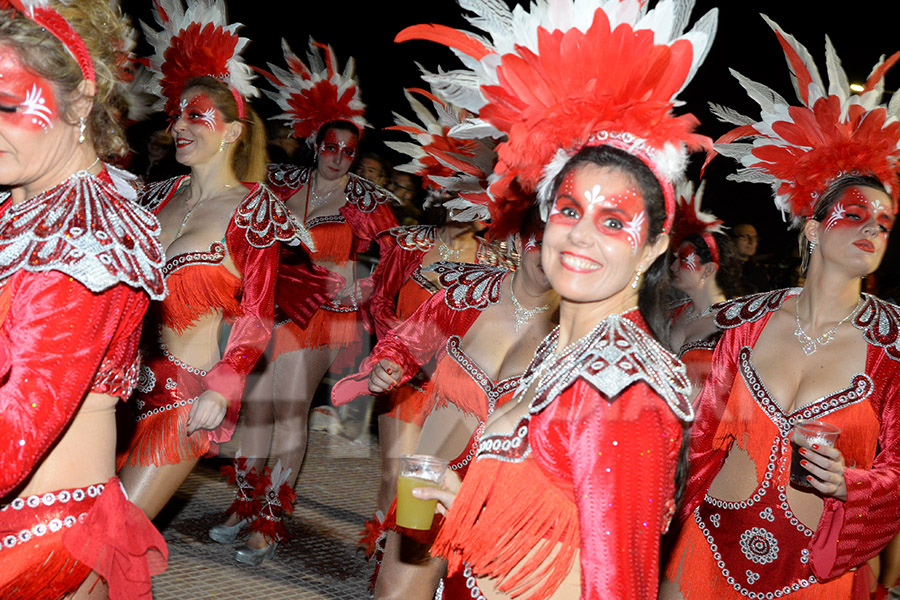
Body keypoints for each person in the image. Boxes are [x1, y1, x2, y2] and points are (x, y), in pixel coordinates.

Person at [393, 0, 716, 597]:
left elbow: (614, 584)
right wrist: (466, 505)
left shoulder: (623, 382)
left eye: (615, 221)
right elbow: (557, 529)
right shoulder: (563, 353)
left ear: (651, 249)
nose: (583, 234)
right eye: (569, 209)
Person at [661, 17, 900, 599]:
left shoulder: (892, 345)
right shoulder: (742, 322)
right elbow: (682, 416)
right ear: (813, 229)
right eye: (853, 215)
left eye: (885, 223)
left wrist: (858, 485)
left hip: (816, 574)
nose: (872, 227)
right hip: (707, 551)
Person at [0, 1, 168, 597]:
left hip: (38, 537)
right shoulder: (22, 202)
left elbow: (20, 424)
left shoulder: (86, 235)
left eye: (7, 105)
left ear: (78, 100)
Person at [209, 37, 397, 564]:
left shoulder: (367, 200)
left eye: (348, 151)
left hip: (323, 319)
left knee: (290, 413)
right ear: (317, 145)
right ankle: (245, 504)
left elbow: (393, 261)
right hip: (271, 308)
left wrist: (363, 279)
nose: (339, 158)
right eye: (331, 147)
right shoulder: (282, 180)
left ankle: (271, 516)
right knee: (254, 413)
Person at [117, 0, 300, 522]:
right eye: (176, 115)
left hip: (185, 396)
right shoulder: (156, 195)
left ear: (233, 132)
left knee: (119, 528)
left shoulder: (253, 209)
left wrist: (225, 384)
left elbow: (257, 314)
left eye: (197, 116)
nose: (179, 125)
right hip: (117, 387)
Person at [365, 85, 515, 519]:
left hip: (455, 391)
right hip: (404, 381)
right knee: (395, 475)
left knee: (431, 483)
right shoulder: (405, 244)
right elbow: (378, 303)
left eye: (473, 192)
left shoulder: (498, 263)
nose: (461, 200)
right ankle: (382, 555)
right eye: (454, 186)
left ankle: (414, 566)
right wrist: (394, 353)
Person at [668, 185, 742, 401]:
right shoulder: (669, 312)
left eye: (682, 259)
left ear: (708, 269)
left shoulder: (737, 325)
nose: (673, 267)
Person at [731, 222, 771, 294]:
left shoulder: (759, 274)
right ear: (732, 240)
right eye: (745, 237)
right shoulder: (722, 269)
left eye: (754, 238)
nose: (751, 242)